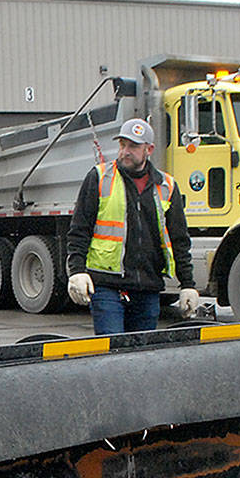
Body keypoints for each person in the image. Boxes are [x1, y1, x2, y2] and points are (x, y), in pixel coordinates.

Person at [65, 118, 199, 334]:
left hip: (148, 287)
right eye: (122, 145)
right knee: (112, 350)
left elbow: (179, 239)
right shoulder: (100, 178)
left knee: (141, 354)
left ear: (149, 149)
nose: (125, 151)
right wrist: (77, 271)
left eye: (133, 146)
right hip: (107, 284)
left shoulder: (166, 186)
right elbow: (79, 230)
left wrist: (188, 285)